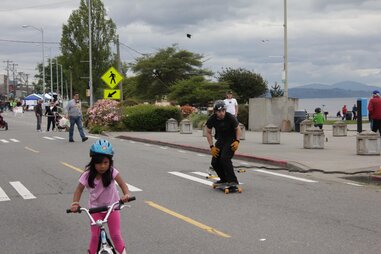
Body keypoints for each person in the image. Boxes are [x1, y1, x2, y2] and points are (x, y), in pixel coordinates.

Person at [70, 139, 130, 254]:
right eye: (98, 163)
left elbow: (123, 184)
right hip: (95, 209)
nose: (102, 166)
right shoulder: (87, 175)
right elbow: (78, 190)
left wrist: (126, 194)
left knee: (116, 235)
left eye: (105, 162)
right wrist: (75, 203)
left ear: (110, 162)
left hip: (112, 208)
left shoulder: (112, 172)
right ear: (93, 162)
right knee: (94, 237)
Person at [206, 100, 241, 187]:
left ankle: (233, 181)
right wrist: (211, 146)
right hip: (220, 140)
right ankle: (224, 179)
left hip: (231, 139)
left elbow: (238, 129)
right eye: (219, 111)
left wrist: (237, 141)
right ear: (215, 112)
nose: (221, 113)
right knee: (214, 162)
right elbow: (208, 132)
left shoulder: (230, 117)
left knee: (225, 158)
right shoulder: (212, 119)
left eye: (223, 111)